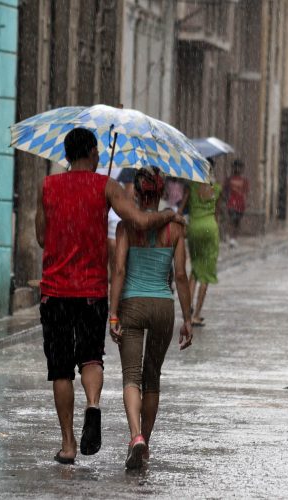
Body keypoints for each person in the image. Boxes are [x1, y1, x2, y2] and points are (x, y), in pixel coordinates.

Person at [35, 128, 183, 465]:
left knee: (60, 370)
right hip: (90, 290)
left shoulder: (48, 187)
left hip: (55, 290)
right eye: (97, 150)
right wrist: (169, 215)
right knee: (91, 358)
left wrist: (66, 233)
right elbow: (141, 222)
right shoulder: (107, 187)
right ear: (89, 151)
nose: (101, 155)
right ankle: (93, 406)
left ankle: (69, 444)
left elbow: (41, 236)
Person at [108, 167, 193, 469]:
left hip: (131, 304)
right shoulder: (176, 228)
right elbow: (181, 276)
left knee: (131, 377)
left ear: (137, 193)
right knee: (152, 377)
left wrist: (113, 312)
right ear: (159, 194)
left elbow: (118, 271)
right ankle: (147, 440)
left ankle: (135, 437)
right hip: (163, 307)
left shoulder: (125, 227)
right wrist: (189, 317)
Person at [179, 178, 221, 327]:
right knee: (206, 273)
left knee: (195, 269)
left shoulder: (192, 187)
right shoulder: (216, 189)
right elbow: (217, 213)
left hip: (194, 228)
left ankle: (187, 311)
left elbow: (182, 208)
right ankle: (196, 314)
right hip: (210, 228)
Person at [224, 159, 250, 248]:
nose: (238, 169)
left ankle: (234, 238)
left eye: (240, 167)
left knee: (237, 222)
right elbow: (225, 190)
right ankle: (230, 237)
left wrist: (246, 202)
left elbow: (246, 192)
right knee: (232, 220)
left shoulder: (244, 180)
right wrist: (227, 199)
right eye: (236, 167)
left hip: (240, 204)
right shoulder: (229, 179)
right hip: (231, 203)